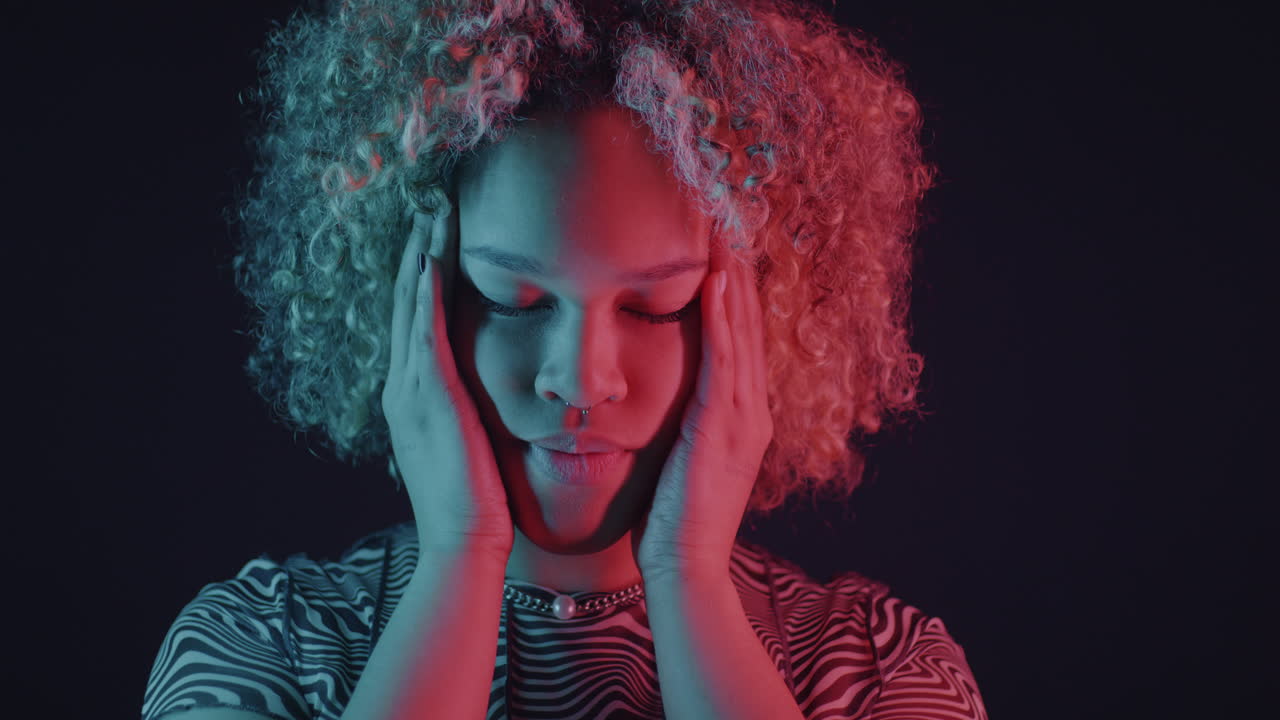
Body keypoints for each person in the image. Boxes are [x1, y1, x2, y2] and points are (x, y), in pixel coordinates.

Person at [142, 0, 988, 718]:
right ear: (412, 293)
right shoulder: (259, 646)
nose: (581, 380)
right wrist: (460, 558)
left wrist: (689, 576)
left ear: (762, 313)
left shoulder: (882, 667)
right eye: (513, 300)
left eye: (657, 306)